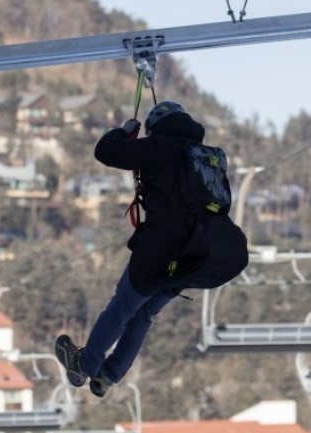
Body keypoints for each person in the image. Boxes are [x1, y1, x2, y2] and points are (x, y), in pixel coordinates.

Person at [55, 101, 248, 398]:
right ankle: (110, 375)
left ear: (156, 126)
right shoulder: (211, 157)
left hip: (161, 250)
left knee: (123, 307)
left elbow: (105, 152)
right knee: (143, 315)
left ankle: (85, 364)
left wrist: (123, 133)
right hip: (194, 254)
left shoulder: (160, 147)